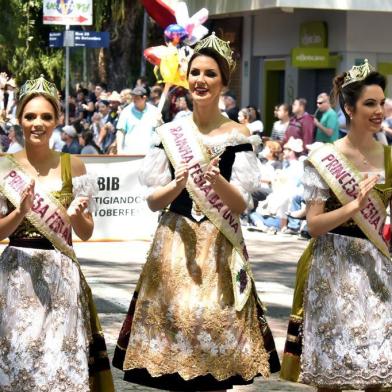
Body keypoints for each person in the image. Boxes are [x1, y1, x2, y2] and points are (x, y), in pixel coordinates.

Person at [113, 32, 280, 391]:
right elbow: (154, 201)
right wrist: (176, 186)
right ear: (186, 79)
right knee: (174, 344)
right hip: (175, 247)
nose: (200, 81)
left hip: (219, 251)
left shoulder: (239, 136)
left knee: (212, 351)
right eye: (195, 73)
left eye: (210, 74)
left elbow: (241, 206)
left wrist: (217, 182)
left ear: (223, 82)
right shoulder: (170, 133)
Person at [281, 60, 392, 391]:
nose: (378, 110)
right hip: (331, 268)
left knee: (381, 372)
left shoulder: (389, 158)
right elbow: (314, 225)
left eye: (381, 102)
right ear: (348, 107)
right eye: (369, 103)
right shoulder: (323, 157)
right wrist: (354, 207)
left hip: (376, 269)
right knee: (332, 377)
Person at [0, 75, 114, 390]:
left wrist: (77, 217)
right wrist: (20, 213)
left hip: (61, 275)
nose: (38, 123)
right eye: (31, 116)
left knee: (59, 364)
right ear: (19, 118)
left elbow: (87, 232)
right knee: (19, 361)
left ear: (58, 120)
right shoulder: (3, 168)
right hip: (16, 277)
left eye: (46, 117)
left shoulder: (75, 165)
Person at [116, 86, 159, 155]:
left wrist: (160, 121)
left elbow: (160, 131)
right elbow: (121, 131)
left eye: (137, 98)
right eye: (133, 97)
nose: (134, 100)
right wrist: (119, 149)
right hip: (129, 153)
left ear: (144, 98)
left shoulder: (155, 111)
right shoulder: (126, 111)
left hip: (149, 153)